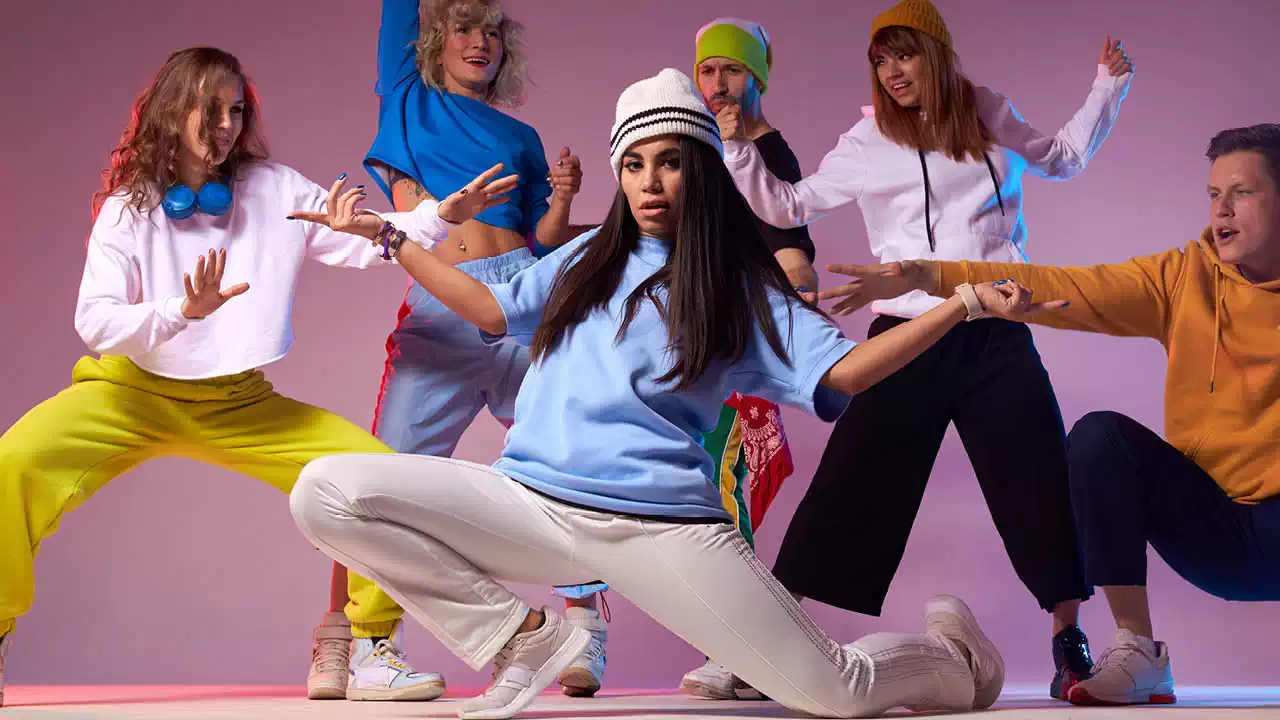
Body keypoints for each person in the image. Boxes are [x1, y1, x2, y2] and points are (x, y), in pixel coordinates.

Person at [286, 68, 1060, 720]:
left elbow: (845, 373)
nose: (649, 182)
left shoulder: (738, 286)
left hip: (660, 530)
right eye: (633, 164)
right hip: (531, 505)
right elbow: (489, 311)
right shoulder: (585, 259)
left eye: (669, 162)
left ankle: (957, 658)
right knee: (326, 490)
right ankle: (521, 638)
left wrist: (962, 304)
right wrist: (391, 239)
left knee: (838, 691)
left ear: (702, 169)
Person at [718, 0, 1133, 698]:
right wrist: (736, 147)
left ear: (935, 54)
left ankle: (1069, 639)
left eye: (904, 55)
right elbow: (788, 205)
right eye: (880, 61)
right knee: (850, 481)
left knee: (1037, 477)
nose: (892, 71)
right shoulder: (867, 139)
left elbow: (1062, 159)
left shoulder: (986, 112)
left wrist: (1106, 87)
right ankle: (771, 643)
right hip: (909, 333)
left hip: (993, 325)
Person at [0, 47, 437, 708]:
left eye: (237, 109)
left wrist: (438, 218)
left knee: (375, 479)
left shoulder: (275, 189)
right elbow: (96, 320)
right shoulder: (128, 209)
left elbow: (357, 240)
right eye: (212, 109)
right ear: (173, 112)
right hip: (129, 395)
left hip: (237, 402)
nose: (228, 124)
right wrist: (180, 311)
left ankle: (373, 649)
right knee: (13, 466)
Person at [816, 122, 1280, 707]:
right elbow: (1063, 286)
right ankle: (1139, 650)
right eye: (1213, 194)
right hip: (1214, 534)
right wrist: (928, 275)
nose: (1221, 209)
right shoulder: (1183, 277)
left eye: (1242, 192)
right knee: (1100, 437)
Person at [304, 0, 596, 700]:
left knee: (573, 454)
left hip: (521, 298)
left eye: (492, 31)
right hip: (441, 302)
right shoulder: (409, 98)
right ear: (433, 40)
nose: (480, 42)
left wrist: (562, 199)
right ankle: (356, 641)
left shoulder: (520, 135)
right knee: (378, 474)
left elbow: (545, 239)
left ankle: (585, 624)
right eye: (464, 28)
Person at [679, 16, 816, 700]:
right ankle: (745, 649)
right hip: (700, 349)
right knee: (708, 495)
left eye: (732, 69)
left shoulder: (767, 154)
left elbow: (793, 249)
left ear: (757, 78)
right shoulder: (704, 151)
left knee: (731, 493)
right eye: (707, 70)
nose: (718, 83)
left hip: (744, 352)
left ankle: (746, 650)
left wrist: (794, 299)